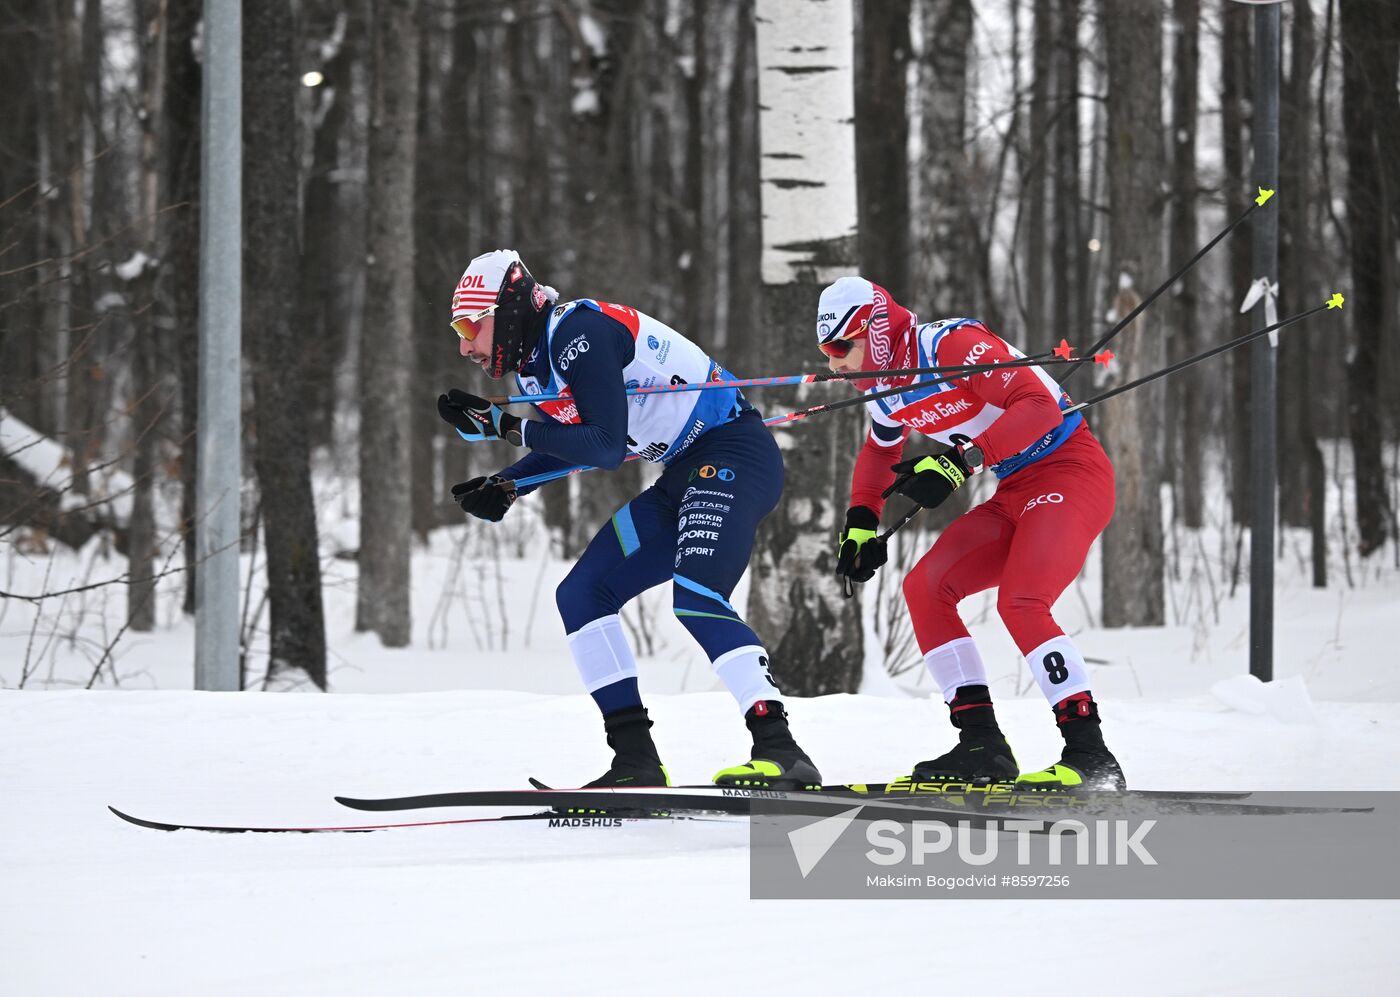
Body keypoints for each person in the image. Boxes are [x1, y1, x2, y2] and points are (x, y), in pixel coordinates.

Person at [437, 249, 821, 790]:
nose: (464, 345)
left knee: (696, 596)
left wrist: (505, 427)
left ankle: (782, 752)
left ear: (509, 309)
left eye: (470, 325)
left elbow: (605, 442)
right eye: (458, 329)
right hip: (683, 473)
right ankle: (636, 760)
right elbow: (583, 442)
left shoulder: (579, 334)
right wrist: (509, 483)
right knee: (581, 594)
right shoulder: (535, 367)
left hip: (736, 454)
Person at [818, 275, 1125, 790]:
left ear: (872, 332)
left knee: (1022, 601)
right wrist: (860, 525)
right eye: (826, 351)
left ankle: (1091, 756)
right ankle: (981, 745)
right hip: (1012, 490)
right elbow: (879, 453)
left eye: (840, 348)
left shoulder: (948, 345)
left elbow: (1039, 406)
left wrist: (962, 460)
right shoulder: (882, 392)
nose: (833, 364)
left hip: (1070, 471)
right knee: (925, 587)